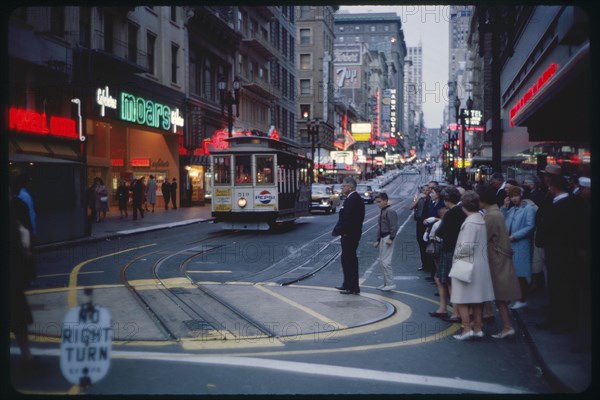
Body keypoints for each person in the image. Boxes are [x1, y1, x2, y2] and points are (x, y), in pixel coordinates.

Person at [536, 172, 587, 334]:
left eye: (549, 185)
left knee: (563, 287)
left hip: (562, 253)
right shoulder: (567, 202)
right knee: (556, 286)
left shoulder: (564, 204)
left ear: (553, 187)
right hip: (558, 252)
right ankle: (556, 319)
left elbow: (552, 225)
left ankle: (564, 321)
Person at [477, 185, 522, 339]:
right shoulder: (496, 213)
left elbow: (482, 237)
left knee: (499, 296)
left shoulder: (491, 216)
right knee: (499, 297)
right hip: (499, 258)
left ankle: (505, 326)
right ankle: (505, 326)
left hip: (495, 259)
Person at [449, 191, 495, 340]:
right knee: (477, 299)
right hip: (480, 264)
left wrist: (457, 261)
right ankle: (478, 328)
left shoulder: (470, 222)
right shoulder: (480, 219)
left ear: (464, 206)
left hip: (467, 266)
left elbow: (466, 248)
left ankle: (467, 328)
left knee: (461, 298)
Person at [9, 180, 37, 362]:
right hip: (14, 270)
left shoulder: (18, 204)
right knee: (18, 315)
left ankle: (26, 354)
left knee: (18, 315)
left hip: (13, 272)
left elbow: (26, 232)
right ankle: (26, 354)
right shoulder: (18, 203)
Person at [430, 185, 466, 322]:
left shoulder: (450, 213)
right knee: (446, 280)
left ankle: (454, 312)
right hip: (458, 249)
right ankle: (446, 309)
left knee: (448, 281)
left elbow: (440, 232)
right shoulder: (462, 211)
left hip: (449, 249)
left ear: (446, 200)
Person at [501, 186, 536, 310]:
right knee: (514, 273)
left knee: (521, 274)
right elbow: (502, 219)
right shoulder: (511, 209)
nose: (514, 198)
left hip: (521, 243)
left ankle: (522, 299)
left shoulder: (528, 209)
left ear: (521, 195)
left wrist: (515, 236)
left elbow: (530, 226)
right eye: (511, 196)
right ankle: (518, 297)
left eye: (516, 196)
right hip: (510, 243)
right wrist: (505, 207)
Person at [332, 177, 365, 295]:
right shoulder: (351, 198)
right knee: (346, 260)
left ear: (350, 187)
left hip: (350, 235)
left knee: (349, 260)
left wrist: (340, 231)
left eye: (343, 186)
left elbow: (349, 219)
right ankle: (347, 284)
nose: (342, 188)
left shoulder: (354, 199)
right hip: (349, 234)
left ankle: (352, 287)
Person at [372, 192, 398, 292]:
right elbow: (380, 227)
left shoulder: (390, 211)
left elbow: (394, 226)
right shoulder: (384, 211)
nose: (378, 204)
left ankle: (390, 283)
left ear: (386, 201)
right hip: (384, 237)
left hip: (387, 237)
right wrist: (378, 240)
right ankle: (387, 283)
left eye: (379, 202)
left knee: (386, 262)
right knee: (383, 261)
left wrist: (391, 238)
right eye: (377, 202)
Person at [409, 184, 431, 271]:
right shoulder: (419, 199)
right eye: (424, 191)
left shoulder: (431, 200)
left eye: (427, 190)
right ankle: (424, 264)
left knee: (427, 243)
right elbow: (410, 207)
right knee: (420, 242)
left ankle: (429, 265)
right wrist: (418, 198)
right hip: (419, 222)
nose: (425, 192)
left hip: (428, 222)